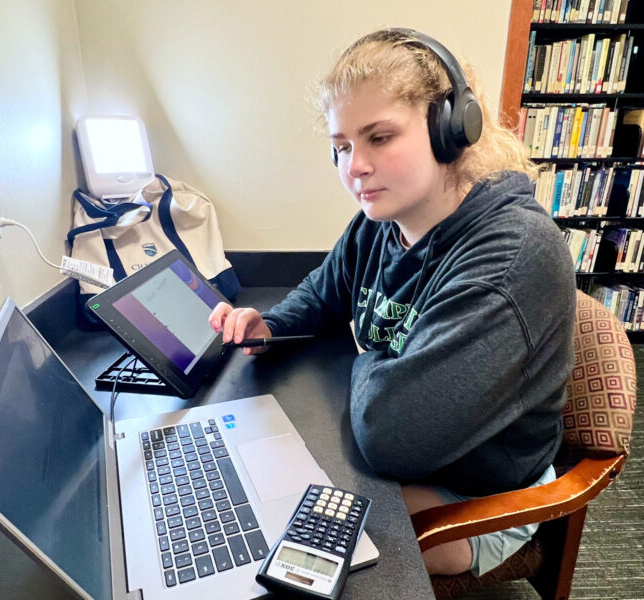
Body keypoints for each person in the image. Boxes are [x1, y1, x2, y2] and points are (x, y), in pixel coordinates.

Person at [208, 28, 576, 577]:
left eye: (379, 138)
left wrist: (364, 358)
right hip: (408, 439)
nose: (354, 166)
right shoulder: (382, 223)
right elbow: (323, 291)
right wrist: (272, 323)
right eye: (341, 146)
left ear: (452, 129)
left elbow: (389, 434)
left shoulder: (511, 257)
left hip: (481, 493)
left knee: (315, 559)